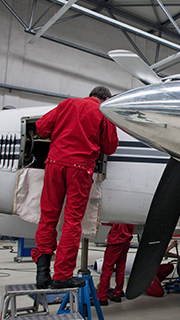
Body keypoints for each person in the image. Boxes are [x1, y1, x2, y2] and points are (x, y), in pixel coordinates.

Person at [32, 86, 119, 289]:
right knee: (71, 222)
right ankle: (62, 275)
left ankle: (42, 275)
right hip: (79, 169)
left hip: (54, 164)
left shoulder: (66, 104)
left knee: (48, 217)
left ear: (91, 94)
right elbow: (110, 147)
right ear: (106, 99)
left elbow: (42, 127)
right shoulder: (103, 112)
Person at [97, 223, 134, 306]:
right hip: (126, 241)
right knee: (121, 268)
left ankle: (102, 297)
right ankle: (117, 293)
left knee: (107, 269)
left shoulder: (117, 214)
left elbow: (106, 223)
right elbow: (132, 226)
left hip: (115, 240)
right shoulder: (129, 213)